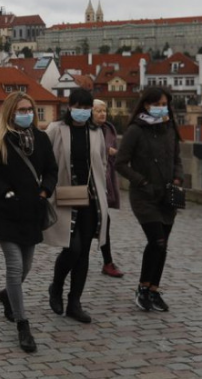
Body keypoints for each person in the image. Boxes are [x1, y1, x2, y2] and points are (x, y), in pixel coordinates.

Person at [0, 91, 58, 353]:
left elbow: (51, 170)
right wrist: (5, 191)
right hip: (7, 211)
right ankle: (23, 323)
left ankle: (6, 295)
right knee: (14, 266)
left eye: (30, 109)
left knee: (26, 266)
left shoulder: (41, 139)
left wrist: (45, 190)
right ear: (11, 113)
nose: (27, 114)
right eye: (22, 110)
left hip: (32, 211)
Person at [115, 87, 184, 313]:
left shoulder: (169, 127)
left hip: (167, 196)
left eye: (165, 104)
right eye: (158, 104)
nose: (162, 108)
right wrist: (142, 181)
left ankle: (154, 289)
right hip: (145, 196)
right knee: (156, 241)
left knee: (163, 245)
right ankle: (142, 289)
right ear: (146, 105)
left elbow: (177, 158)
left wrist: (177, 178)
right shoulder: (136, 130)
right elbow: (121, 163)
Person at [44, 88, 109, 324]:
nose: (82, 111)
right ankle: (56, 286)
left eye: (86, 107)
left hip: (90, 198)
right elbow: (45, 160)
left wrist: (102, 190)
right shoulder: (56, 129)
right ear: (69, 107)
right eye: (78, 107)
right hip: (65, 195)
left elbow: (102, 161)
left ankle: (75, 302)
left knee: (84, 254)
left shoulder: (96, 132)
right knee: (72, 248)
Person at [93, 99, 124, 278]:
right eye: (98, 111)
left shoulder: (109, 129)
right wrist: (107, 150)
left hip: (105, 181)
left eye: (104, 111)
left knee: (104, 221)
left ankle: (107, 262)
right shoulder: (86, 129)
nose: (103, 114)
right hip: (89, 183)